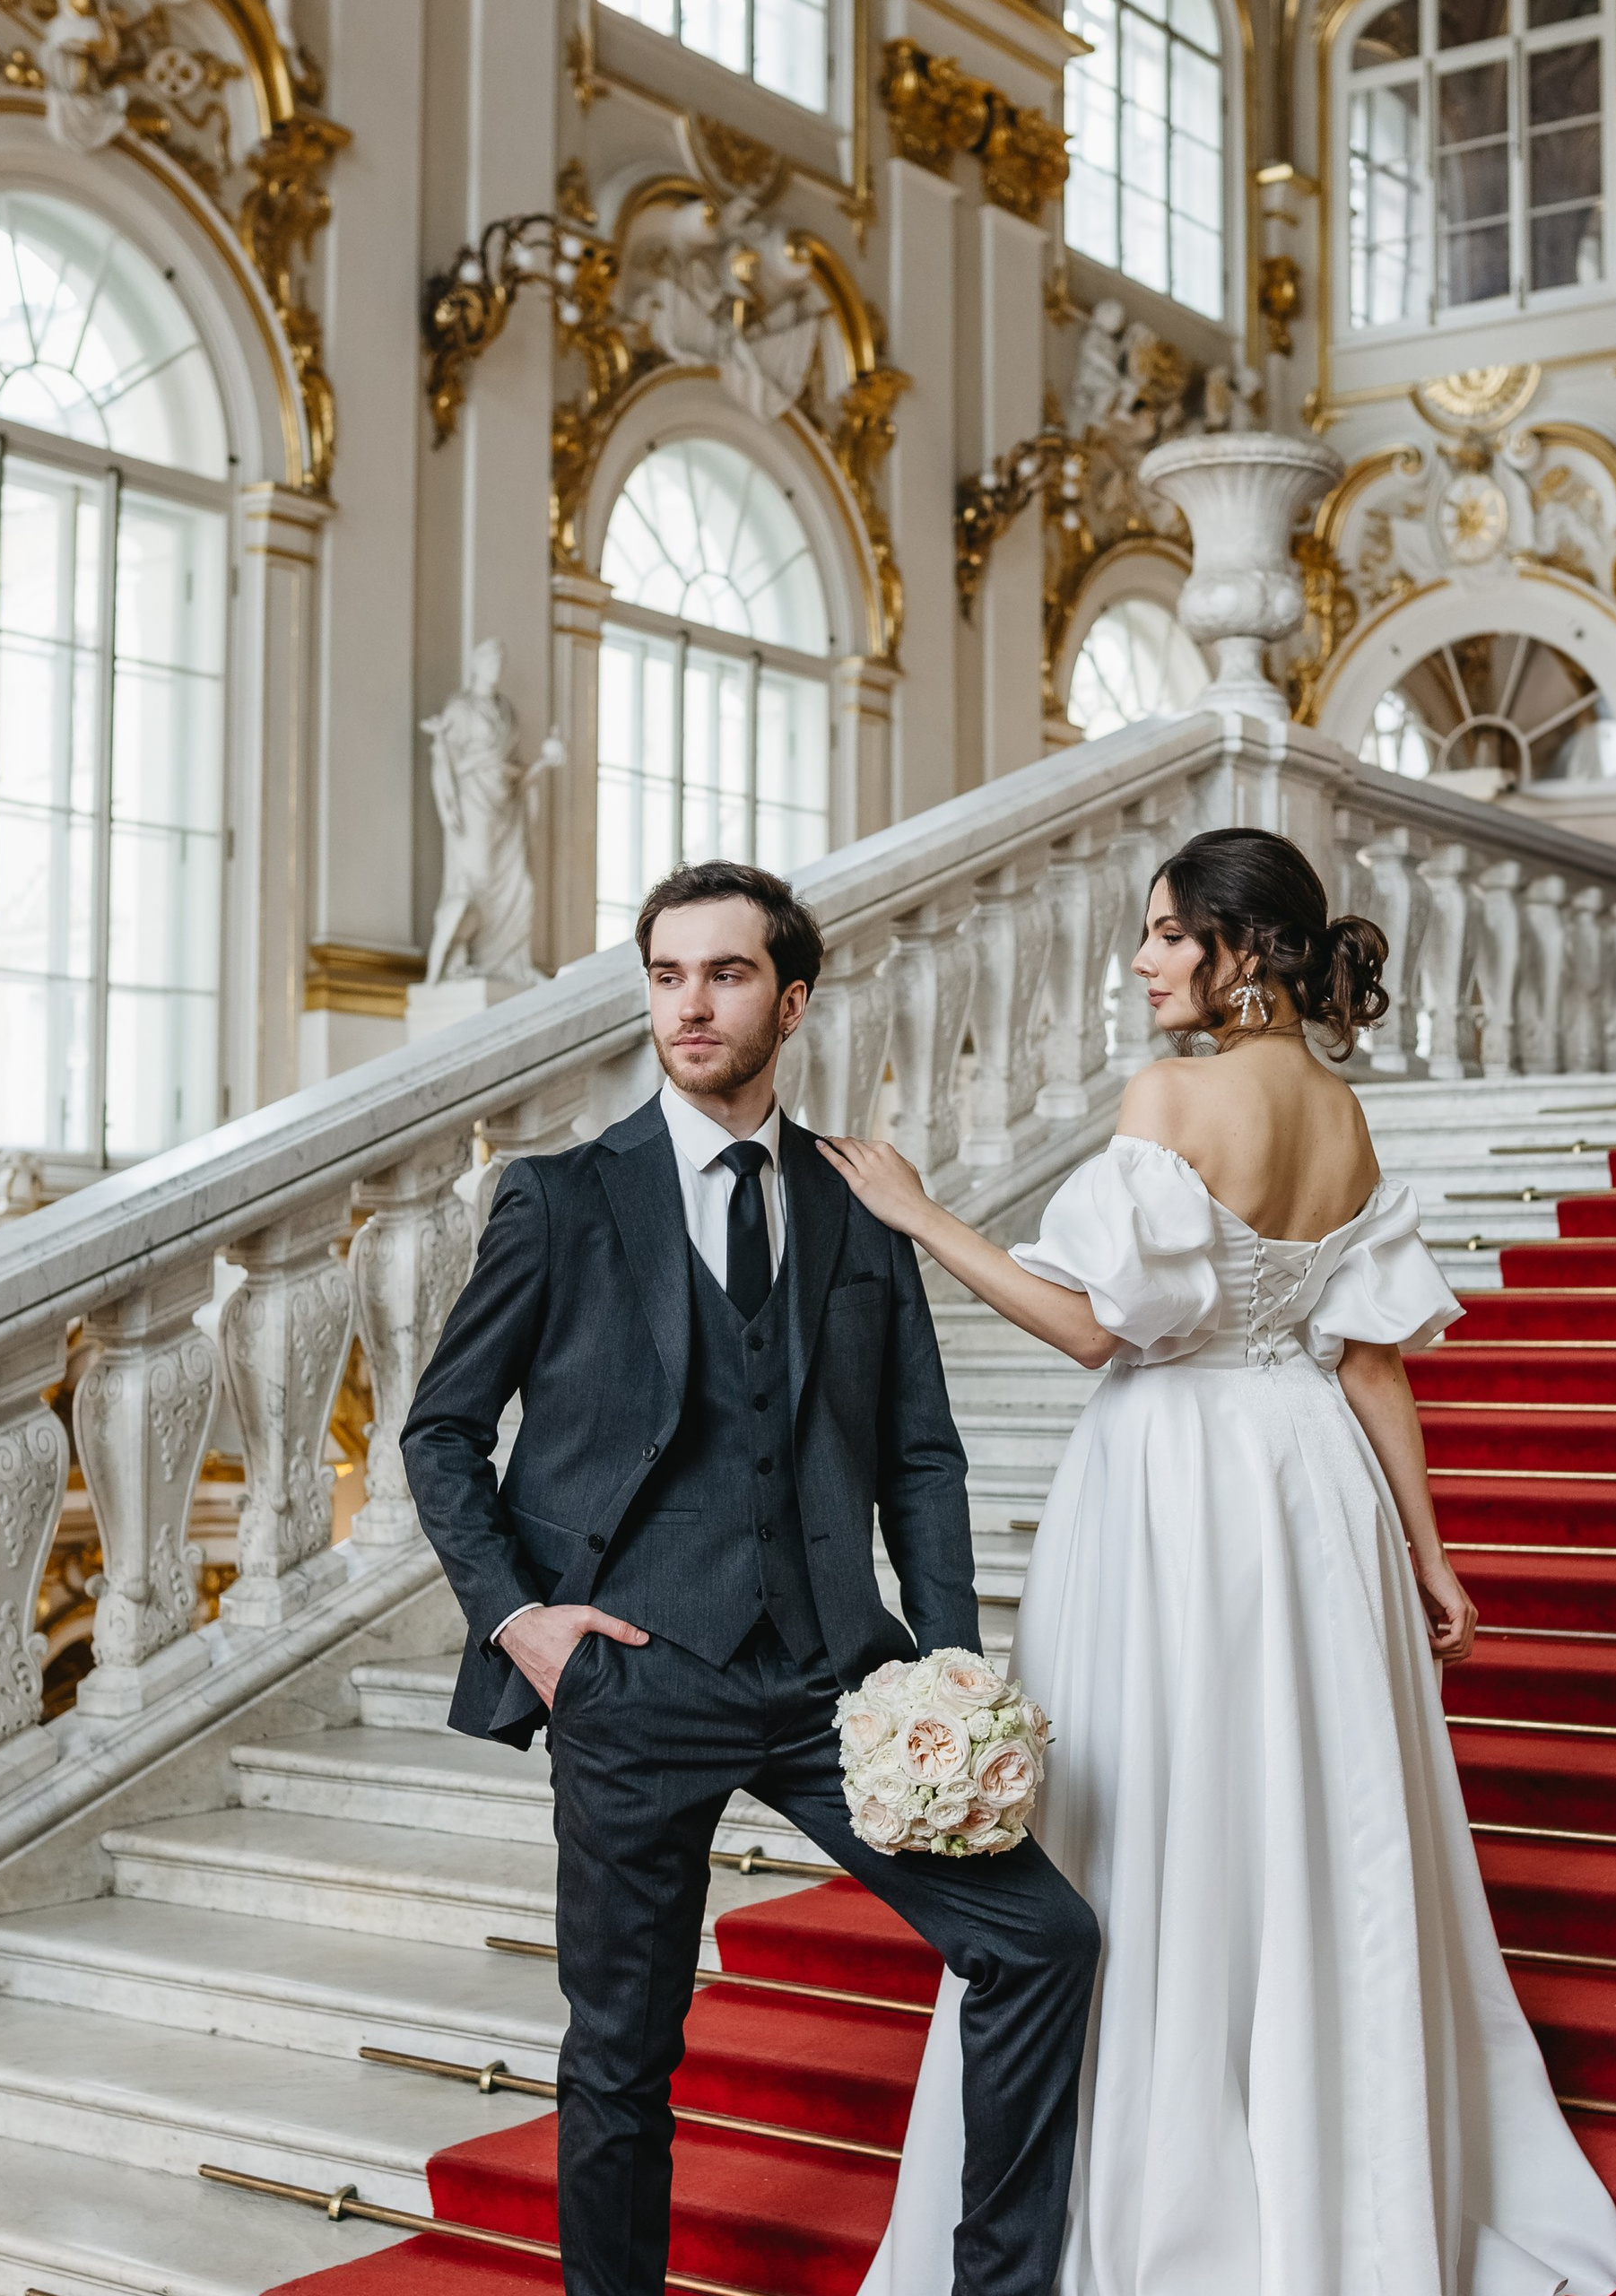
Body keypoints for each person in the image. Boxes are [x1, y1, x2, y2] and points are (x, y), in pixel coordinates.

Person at [829, 828, 1616, 2296]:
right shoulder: (1341, 1114)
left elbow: (1094, 1330)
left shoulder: (1175, 1093)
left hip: (1170, 1478)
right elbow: (1373, 1360)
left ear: (1241, 948)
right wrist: (1429, 1554)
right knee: (1310, 1815)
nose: (1139, 964)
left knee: (1147, 1813)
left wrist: (924, 1214)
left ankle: (1158, 2198)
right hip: (1307, 1478)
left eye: (1161, 935)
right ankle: (1334, 2178)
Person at [401, 859, 1100, 2296]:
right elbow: (441, 1432)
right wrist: (527, 1626)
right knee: (618, 2057)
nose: (690, 1006)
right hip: (633, 1681)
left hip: (837, 1678)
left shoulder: (860, 1207)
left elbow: (921, 1455)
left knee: (1040, 1944)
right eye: (666, 976)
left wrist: (947, 1673)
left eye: (723, 975)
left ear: (792, 998)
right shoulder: (560, 1200)